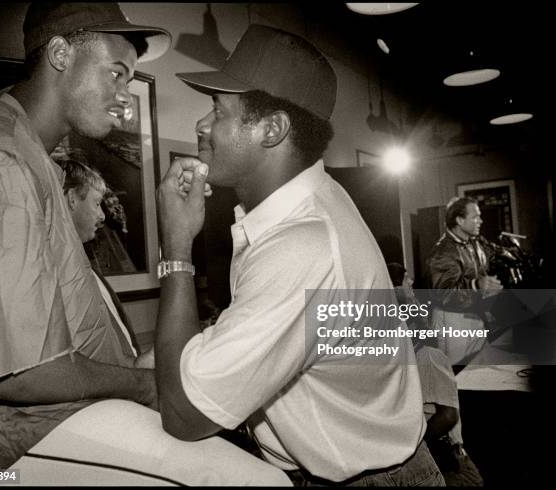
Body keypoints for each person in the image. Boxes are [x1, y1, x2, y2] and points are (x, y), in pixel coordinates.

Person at [142, 24, 444, 485]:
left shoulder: (301, 245)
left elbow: (185, 417)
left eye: (218, 110)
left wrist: (177, 247)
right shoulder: (317, 201)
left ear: (273, 129)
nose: (202, 125)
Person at [0, 2, 171, 470]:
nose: (124, 96)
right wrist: (144, 385)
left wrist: (130, 367)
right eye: (116, 73)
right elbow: (21, 375)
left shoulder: (30, 157)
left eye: (128, 80)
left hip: (43, 424)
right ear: (62, 54)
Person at [388, 263, 484, 486]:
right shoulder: (425, 355)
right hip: (444, 459)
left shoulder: (419, 357)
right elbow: (447, 415)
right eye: (405, 280)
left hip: (443, 457)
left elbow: (446, 415)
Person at [60, 158, 139, 356]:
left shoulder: (84, 262)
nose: (103, 216)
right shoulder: (64, 271)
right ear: (71, 199)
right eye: (96, 204)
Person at [427, 197, 503, 365]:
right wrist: (476, 285)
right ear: (460, 220)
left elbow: (493, 255)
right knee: (457, 378)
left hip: (474, 315)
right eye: (475, 217)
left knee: (479, 369)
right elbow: (443, 293)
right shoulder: (443, 251)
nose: (480, 221)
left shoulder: (474, 242)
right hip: (453, 321)